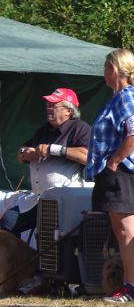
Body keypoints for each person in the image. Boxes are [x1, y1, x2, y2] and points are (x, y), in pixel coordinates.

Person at [85, 49, 134, 303]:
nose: (103, 72)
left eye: (105, 67)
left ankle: (132, 287)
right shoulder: (118, 97)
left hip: (125, 173)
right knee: (120, 231)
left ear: (113, 70)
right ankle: (126, 285)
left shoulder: (126, 97)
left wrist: (115, 160)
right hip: (116, 173)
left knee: (126, 231)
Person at [3, 88, 92, 235]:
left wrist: (53, 149)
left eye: (54, 106)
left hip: (63, 202)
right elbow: (21, 153)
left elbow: (87, 156)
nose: (49, 109)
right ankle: (21, 257)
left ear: (68, 111)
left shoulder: (80, 128)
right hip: (37, 200)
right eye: (48, 106)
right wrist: (24, 153)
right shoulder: (43, 130)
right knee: (8, 221)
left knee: (49, 237)